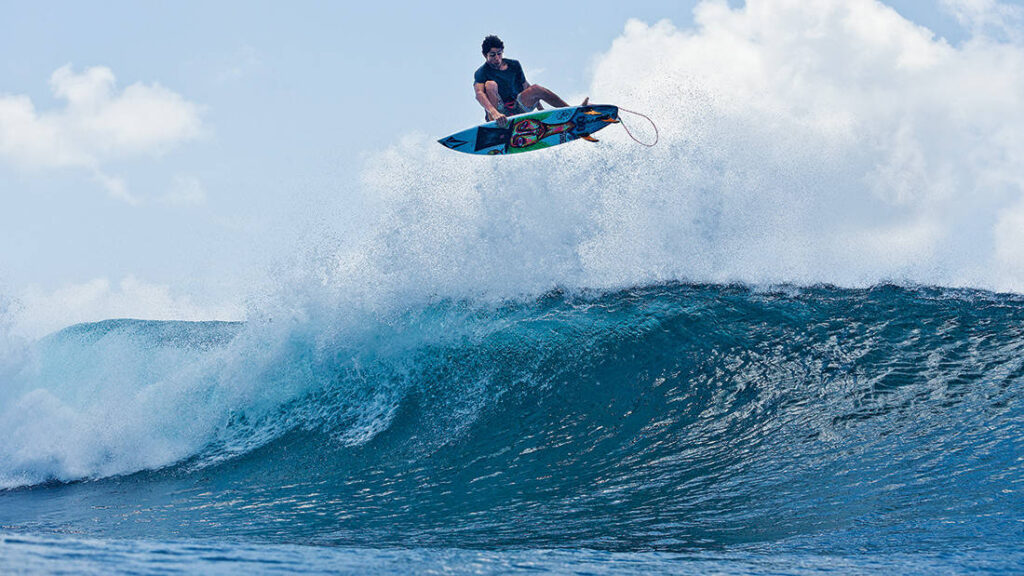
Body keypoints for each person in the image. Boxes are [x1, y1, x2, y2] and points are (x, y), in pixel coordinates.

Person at [474, 35, 584, 128]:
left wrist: (540, 108)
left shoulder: (514, 65)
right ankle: (495, 125)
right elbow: (479, 94)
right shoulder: (481, 72)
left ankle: (572, 112)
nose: (497, 58)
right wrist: (494, 113)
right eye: (492, 55)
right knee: (490, 85)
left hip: (517, 108)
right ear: (485, 55)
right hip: (498, 114)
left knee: (536, 88)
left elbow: (526, 86)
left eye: (499, 53)